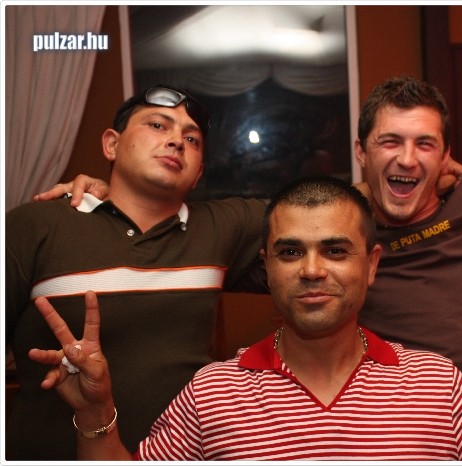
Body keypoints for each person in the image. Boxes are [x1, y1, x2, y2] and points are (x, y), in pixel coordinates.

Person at [35, 6, 462, 426]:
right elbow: (197, 238)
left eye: (425, 144)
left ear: (445, 155)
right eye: (389, 142)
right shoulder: (334, 238)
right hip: (403, 441)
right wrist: (110, 193)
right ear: (361, 151)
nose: (407, 158)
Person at [27, 176, 462, 460]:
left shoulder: (435, 383)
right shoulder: (213, 393)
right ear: (266, 266)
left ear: (371, 265)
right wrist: (97, 417)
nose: (312, 270)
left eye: (335, 250)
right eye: (291, 252)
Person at [4, 86, 268, 459]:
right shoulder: (37, 225)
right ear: (111, 145)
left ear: (198, 173)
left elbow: (335, 213)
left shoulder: (222, 227)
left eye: (191, 139)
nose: (176, 141)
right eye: (158, 125)